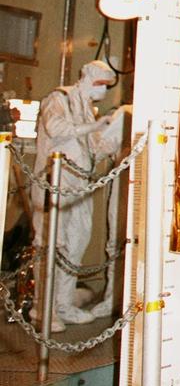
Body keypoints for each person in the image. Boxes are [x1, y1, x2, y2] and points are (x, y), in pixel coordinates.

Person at [32, 61, 123, 329]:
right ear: (87, 79)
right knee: (50, 244)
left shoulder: (87, 110)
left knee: (75, 245)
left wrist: (114, 139)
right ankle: (43, 310)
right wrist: (93, 128)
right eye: (101, 85)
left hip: (79, 187)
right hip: (54, 183)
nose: (103, 91)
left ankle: (63, 305)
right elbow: (57, 129)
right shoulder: (58, 98)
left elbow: (94, 147)